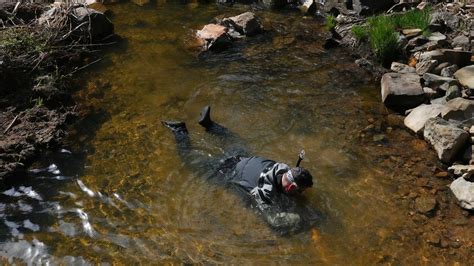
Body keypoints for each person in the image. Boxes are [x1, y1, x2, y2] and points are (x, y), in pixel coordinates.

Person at [162, 106, 315, 234]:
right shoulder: (265, 191)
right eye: (299, 191)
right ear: (291, 187)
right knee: (188, 160)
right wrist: (299, 218)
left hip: (241, 157)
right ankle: (179, 131)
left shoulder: (283, 167)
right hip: (225, 170)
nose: (299, 194)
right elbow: (273, 220)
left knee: (233, 139)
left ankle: (209, 124)